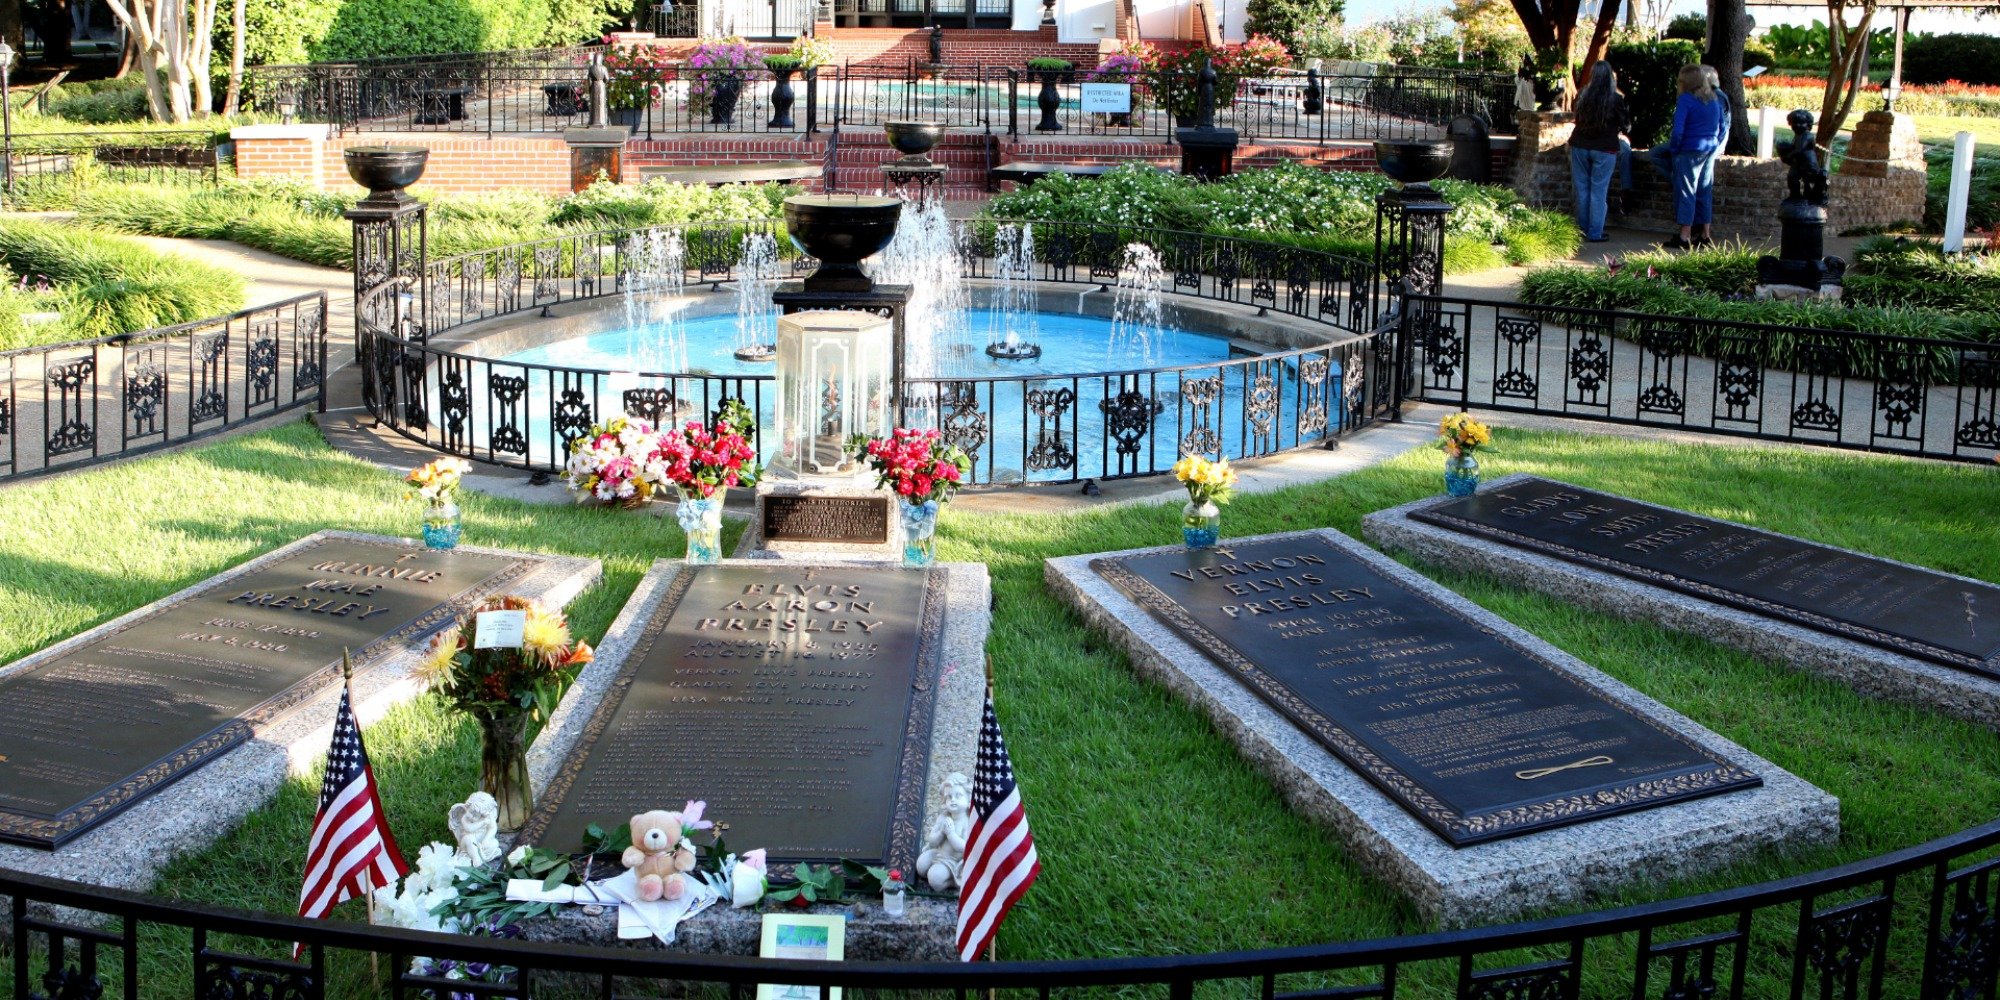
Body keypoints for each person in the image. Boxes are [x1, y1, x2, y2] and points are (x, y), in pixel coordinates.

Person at [1649, 64, 1724, 250]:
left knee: (1686, 192)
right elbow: (1722, 128)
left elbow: (1678, 131)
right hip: (1708, 150)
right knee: (1704, 191)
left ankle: (1685, 235)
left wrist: (1675, 150)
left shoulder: (1686, 100)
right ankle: (1706, 235)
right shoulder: (1714, 100)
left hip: (1689, 150)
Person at [1567, 61, 1628, 243]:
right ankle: (1595, 233)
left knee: (1582, 189)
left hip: (1580, 144)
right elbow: (1625, 124)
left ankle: (1583, 230)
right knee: (1598, 192)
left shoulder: (1583, 94)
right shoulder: (1615, 98)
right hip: (1605, 148)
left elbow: (1576, 118)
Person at [1694, 64, 1731, 245]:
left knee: (1703, 188)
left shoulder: (1716, 97)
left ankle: (1703, 232)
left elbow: (1722, 126)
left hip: (1708, 148)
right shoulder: (1707, 95)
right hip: (1705, 146)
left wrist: (1714, 146)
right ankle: (1699, 229)